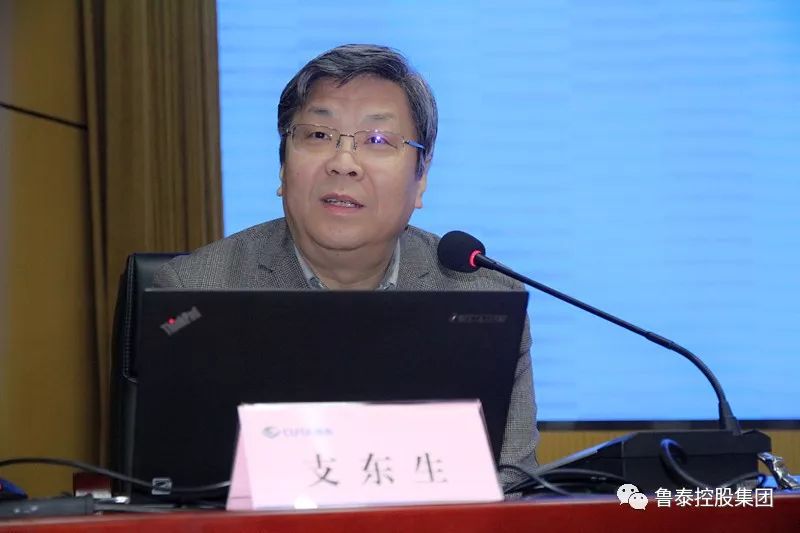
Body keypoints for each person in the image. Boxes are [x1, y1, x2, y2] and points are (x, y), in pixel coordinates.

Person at [154, 44, 538, 488]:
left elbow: (513, 488)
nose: (343, 163)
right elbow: (172, 490)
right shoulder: (195, 293)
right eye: (318, 135)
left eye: (377, 140)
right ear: (282, 167)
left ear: (421, 178)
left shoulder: (485, 297)